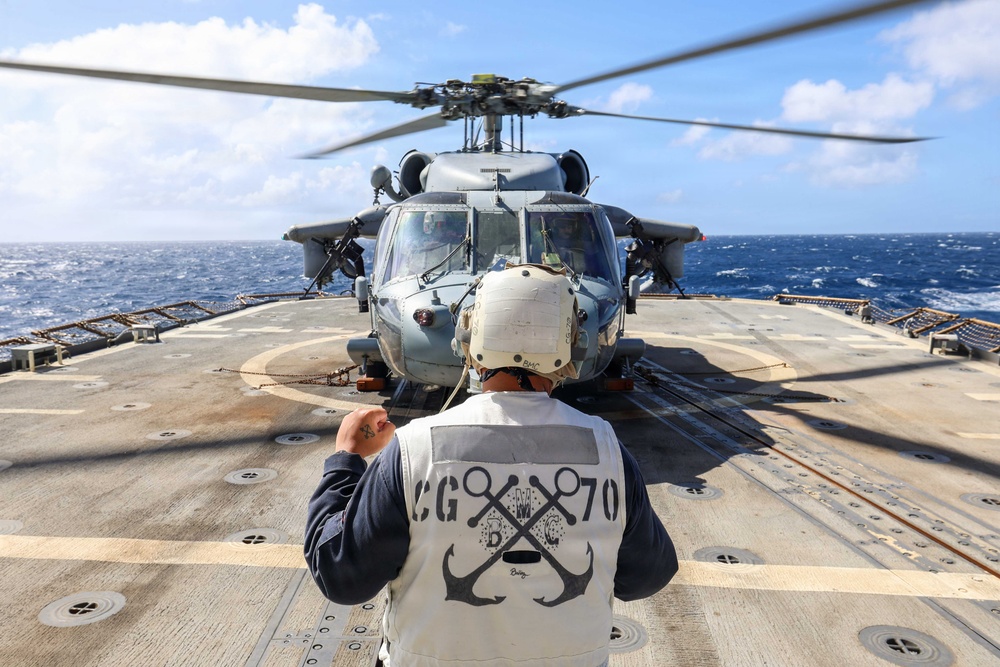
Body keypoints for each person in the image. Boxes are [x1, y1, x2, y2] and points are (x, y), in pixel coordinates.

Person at [305, 263, 677, 666]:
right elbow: (647, 576)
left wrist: (345, 461)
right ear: (572, 345)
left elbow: (341, 575)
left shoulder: (414, 450)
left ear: (467, 337)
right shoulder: (609, 451)